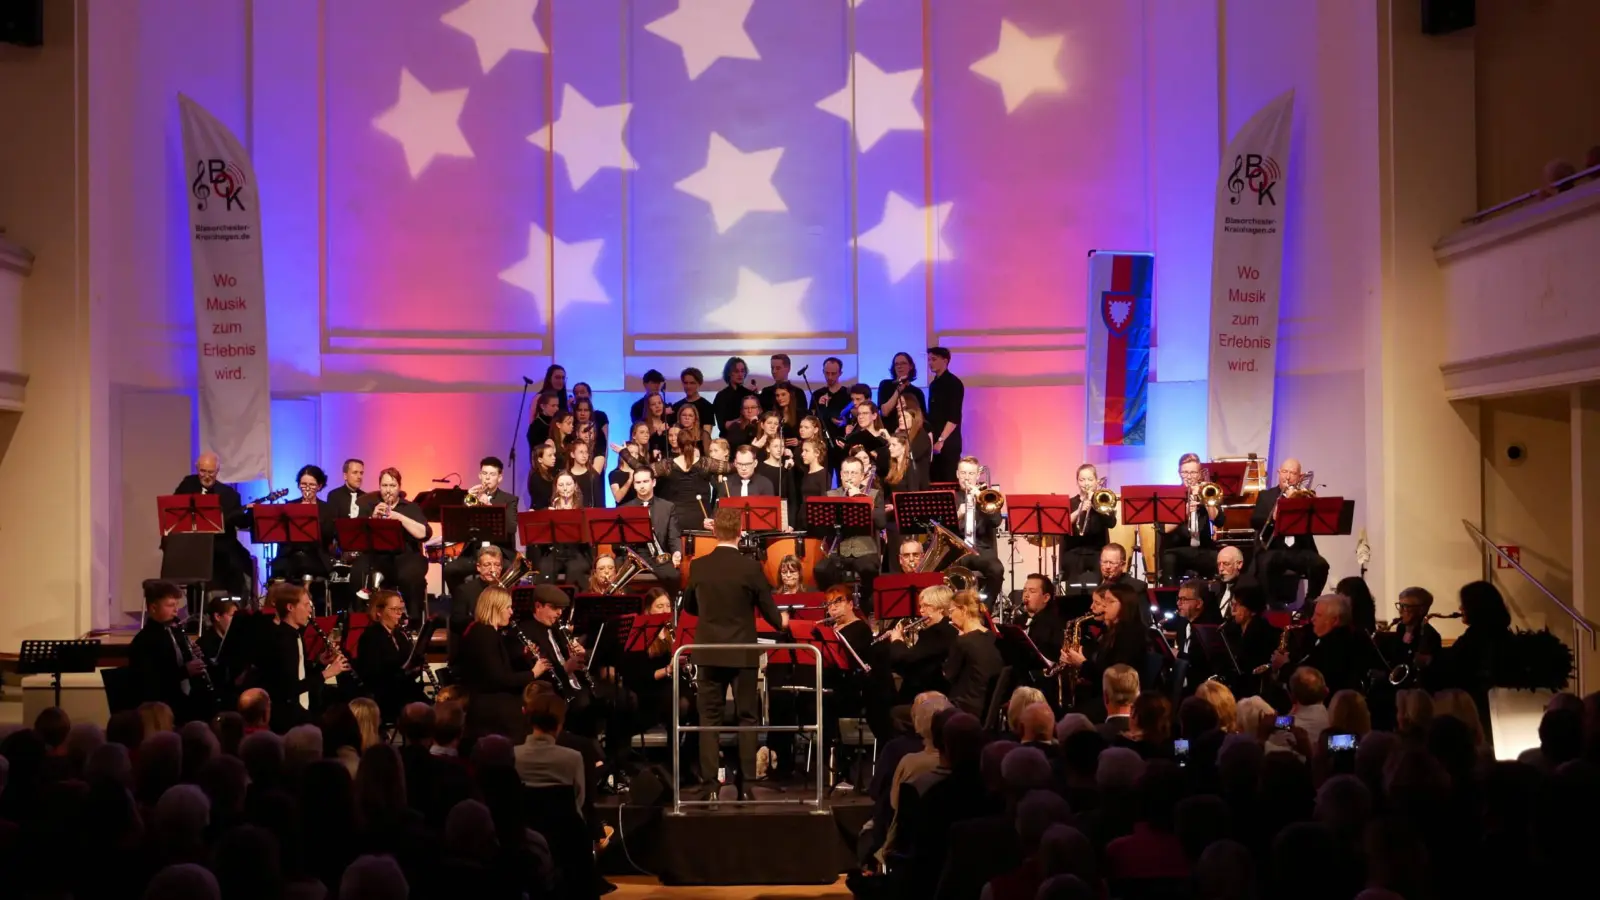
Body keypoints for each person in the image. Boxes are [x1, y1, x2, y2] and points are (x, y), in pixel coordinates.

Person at [684, 507, 785, 801]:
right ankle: (748, 783)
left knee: (708, 720)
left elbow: (690, 606)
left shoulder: (699, 566)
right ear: (740, 533)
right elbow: (768, 607)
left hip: (709, 651)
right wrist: (781, 622)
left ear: (714, 532)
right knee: (747, 719)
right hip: (742, 653)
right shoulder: (750, 567)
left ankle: (708, 787)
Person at [258, 582, 349, 732]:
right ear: (290, 607)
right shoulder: (282, 640)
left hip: (299, 710)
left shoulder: (295, 634)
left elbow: (300, 672)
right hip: (288, 717)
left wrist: (320, 662)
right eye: (306, 605)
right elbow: (289, 688)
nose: (310, 610)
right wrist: (327, 673)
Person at [452, 585, 536, 743]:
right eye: (508, 607)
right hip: (489, 708)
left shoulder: (486, 632)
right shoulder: (484, 634)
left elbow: (499, 667)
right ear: (495, 608)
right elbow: (499, 679)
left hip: (489, 702)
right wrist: (533, 673)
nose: (511, 612)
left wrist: (524, 656)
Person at [167, 451, 256, 597]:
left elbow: (240, 522)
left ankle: (228, 607)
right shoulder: (187, 484)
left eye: (211, 472)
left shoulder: (229, 494)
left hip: (220, 547)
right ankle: (195, 610)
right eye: (202, 471)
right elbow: (176, 510)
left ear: (217, 471)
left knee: (237, 559)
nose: (206, 476)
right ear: (197, 469)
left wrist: (251, 512)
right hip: (191, 545)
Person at [128, 579, 213, 724]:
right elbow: (149, 681)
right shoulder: (144, 641)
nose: (176, 610)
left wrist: (192, 654)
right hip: (164, 708)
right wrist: (185, 671)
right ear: (153, 608)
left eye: (176, 605)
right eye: (170, 605)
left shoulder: (175, 631)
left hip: (185, 700)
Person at [354, 468, 432, 622]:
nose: (388, 490)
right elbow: (358, 536)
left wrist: (398, 517)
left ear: (399, 487)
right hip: (378, 557)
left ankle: (413, 621)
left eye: (392, 485)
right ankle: (359, 619)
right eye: (384, 486)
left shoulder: (410, 508)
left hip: (406, 557)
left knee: (412, 576)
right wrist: (373, 518)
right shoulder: (369, 506)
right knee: (358, 570)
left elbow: (424, 533)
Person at [1251, 458, 1331, 606]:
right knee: (1266, 563)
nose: (1287, 477)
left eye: (1293, 473)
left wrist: (1309, 505)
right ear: (1278, 473)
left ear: (1300, 477)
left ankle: (1309, 602)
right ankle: (1272, 606)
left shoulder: (1304, 496)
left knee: (1321, 565)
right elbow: (1255, 521)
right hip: (1273, 548)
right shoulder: (1266, 495)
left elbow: (1313, 525)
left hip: (1298, 550)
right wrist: (1274, 515)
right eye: (1284, 472)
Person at [814, 457, 887, 615]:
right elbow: (821, 526)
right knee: (821, 569)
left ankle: (866, 609)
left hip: (865, 549)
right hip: (839, 549)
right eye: (846, 472)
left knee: (868, 569)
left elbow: (881, 522)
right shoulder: (831, 495)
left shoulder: (874, 494)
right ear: (840, 475)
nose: (849, 477)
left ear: (862, 476)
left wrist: (861, 499)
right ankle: (834, 607)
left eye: (854, 473)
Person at [442, 457, 520, 596]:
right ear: (479, 475)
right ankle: (463, 601)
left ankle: (500, 604)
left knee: (512, 571)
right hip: (474, 553)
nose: (487, 478)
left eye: (492, 474)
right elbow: (458, 525)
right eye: (484, 474)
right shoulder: (471, 497)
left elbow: (511, 528)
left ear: (499, 477)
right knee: (450, 570)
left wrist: (490, 507)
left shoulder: (509, 500)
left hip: (501, 554)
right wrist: (467, 503)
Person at [355, 589, 426, 723]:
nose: (400, 614)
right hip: (386, 696)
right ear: (379, 612)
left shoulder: (400, 635)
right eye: (394, 609)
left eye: (401, 609)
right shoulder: (371, 636)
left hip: (403, 690)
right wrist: (402, 671)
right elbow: (374, 674)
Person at [1272, 594, 1364, 696]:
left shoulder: (1334, 647)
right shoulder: (1329, 640)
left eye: (1318, 615)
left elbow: (1310, 684)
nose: (1312, 619)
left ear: (1335, 620)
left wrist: (1284, 666)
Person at [881, 585, 959, 702]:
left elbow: (909, 661)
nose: (921, 610)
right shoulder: (943, 629)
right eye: (920, 606)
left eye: (926, 606)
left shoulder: (939, 632)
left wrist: (897, 640)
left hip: (930, 695)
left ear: (940, 608)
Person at [513, 691, 586, 816]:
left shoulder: (513, 755)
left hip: (522, 830)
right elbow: (578, 801)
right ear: (559, 725)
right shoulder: (573, 758)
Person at [1162, 453, 1226, 584]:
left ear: (1199, 474)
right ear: (1179, 473)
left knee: (1221, 560)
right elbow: (1165, 529)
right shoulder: (1169, 495)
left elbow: (1219, 521)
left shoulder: (1208, 492)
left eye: (1193, 472)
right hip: (1177, 549)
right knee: (1169, 560)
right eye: (1185, 472)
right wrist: (1184, 511)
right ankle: (1169, 600)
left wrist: (1207, 501)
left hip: (1203, 549)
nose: (1189, 477)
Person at [267, 465, 336, 585]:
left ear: (319, 486)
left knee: (305, 563)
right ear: (299, 485)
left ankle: (306, 598)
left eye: (312, 485)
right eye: (303, 484)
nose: (307, 488)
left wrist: (311, 512)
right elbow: (281, 535)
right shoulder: (289, 506)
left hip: (316, 555)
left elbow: (328, 537)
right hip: (291, 554)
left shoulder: (327, 509)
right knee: (278, 566)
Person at [952, 456, 1006, 602]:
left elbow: (996, 522)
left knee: (997, 570)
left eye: (970, 474)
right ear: (957, 474)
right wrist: (958, 514)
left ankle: (986, 607)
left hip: (981, 549)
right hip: (957, 548)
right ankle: (957, 608)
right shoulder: (951, 497)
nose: (966, 478)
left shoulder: (987, 496)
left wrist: (980, 498)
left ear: (977, 476)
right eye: (963, 473)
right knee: (946, 571)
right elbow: (942, 528)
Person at [619, 468, 683, 589]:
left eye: (645, 481)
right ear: (634, 485)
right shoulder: (624, 509)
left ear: (653, 482)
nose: (642, 486)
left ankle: (669, 607)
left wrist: (677, 552)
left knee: (673, 576)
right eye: (638, 483)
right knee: (620, 579)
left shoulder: (668, 507)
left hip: (658, 556)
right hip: (633, 555)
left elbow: (674, 536)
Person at [942, 589, 1002, 718]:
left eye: (951, 611)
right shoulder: (993, 637)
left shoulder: (963, 641)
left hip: (963, 708)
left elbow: (947, 676)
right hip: (988, 709)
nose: (950, 616)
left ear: (963, 610)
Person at [1061, 463, 1117, 591]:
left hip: (1097, 552)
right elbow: (1063, 525)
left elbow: (1111, 523)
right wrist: (1079, 511)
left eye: (1090, 479)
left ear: (1096, 481)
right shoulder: (1070, 503)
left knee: (1098, 591)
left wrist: (1095, 504)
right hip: (1074, 552)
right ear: (1077, 482)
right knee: (1073, 591)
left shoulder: (1103, 500)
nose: (1086, 483)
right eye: (1082, 480)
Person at [532, 472, 592, 587]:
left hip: (576, 552)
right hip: (554, 552)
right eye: (561, 485)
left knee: (576, 570)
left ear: (575, 486)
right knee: (545, 569)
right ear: (556, 488)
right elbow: (540, 537)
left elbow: (587, 537)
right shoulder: (549, 509)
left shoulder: (583, 510)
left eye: (568, 484)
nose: (565, 488)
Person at [1015, 574, 1065, 702]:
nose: (1026, 595)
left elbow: (1052, 656)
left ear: (1046, 597)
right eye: (1024, 590)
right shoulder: (1019, 620)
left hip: (1041, 683)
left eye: (1032, 591)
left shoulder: (1054, 623)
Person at [925, 347, 965, 484]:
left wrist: (941, 440)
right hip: (934, 441)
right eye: (929, 359)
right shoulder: (933, 385)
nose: (930, 363)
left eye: (934, 359)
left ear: (945, 360)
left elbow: (954, 417)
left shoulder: (954, 383)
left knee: (948, 480)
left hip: (948, 442)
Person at [876, 352, 926, 435]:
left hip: (910, 436)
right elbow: (884, 412)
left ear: (911, 366)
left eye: (903, 363)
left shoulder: (917, 392)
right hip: (889, 434)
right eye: (896, 364)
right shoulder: (885, 385)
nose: (899, 366)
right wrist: (898, 390)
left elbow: (921, 418)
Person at [673, 366, 716, 431]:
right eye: (686, 383)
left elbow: (707, 435)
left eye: (692, 383)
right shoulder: (676, 406)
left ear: (699, 384)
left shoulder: (707, 407)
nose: (688, 386)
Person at [326, 458, 366, 522]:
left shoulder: (365, 497)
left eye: (361, 473)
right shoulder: (334, 496)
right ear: (345, 476)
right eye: (355, 472)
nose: (359, 476)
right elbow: (331, 524)